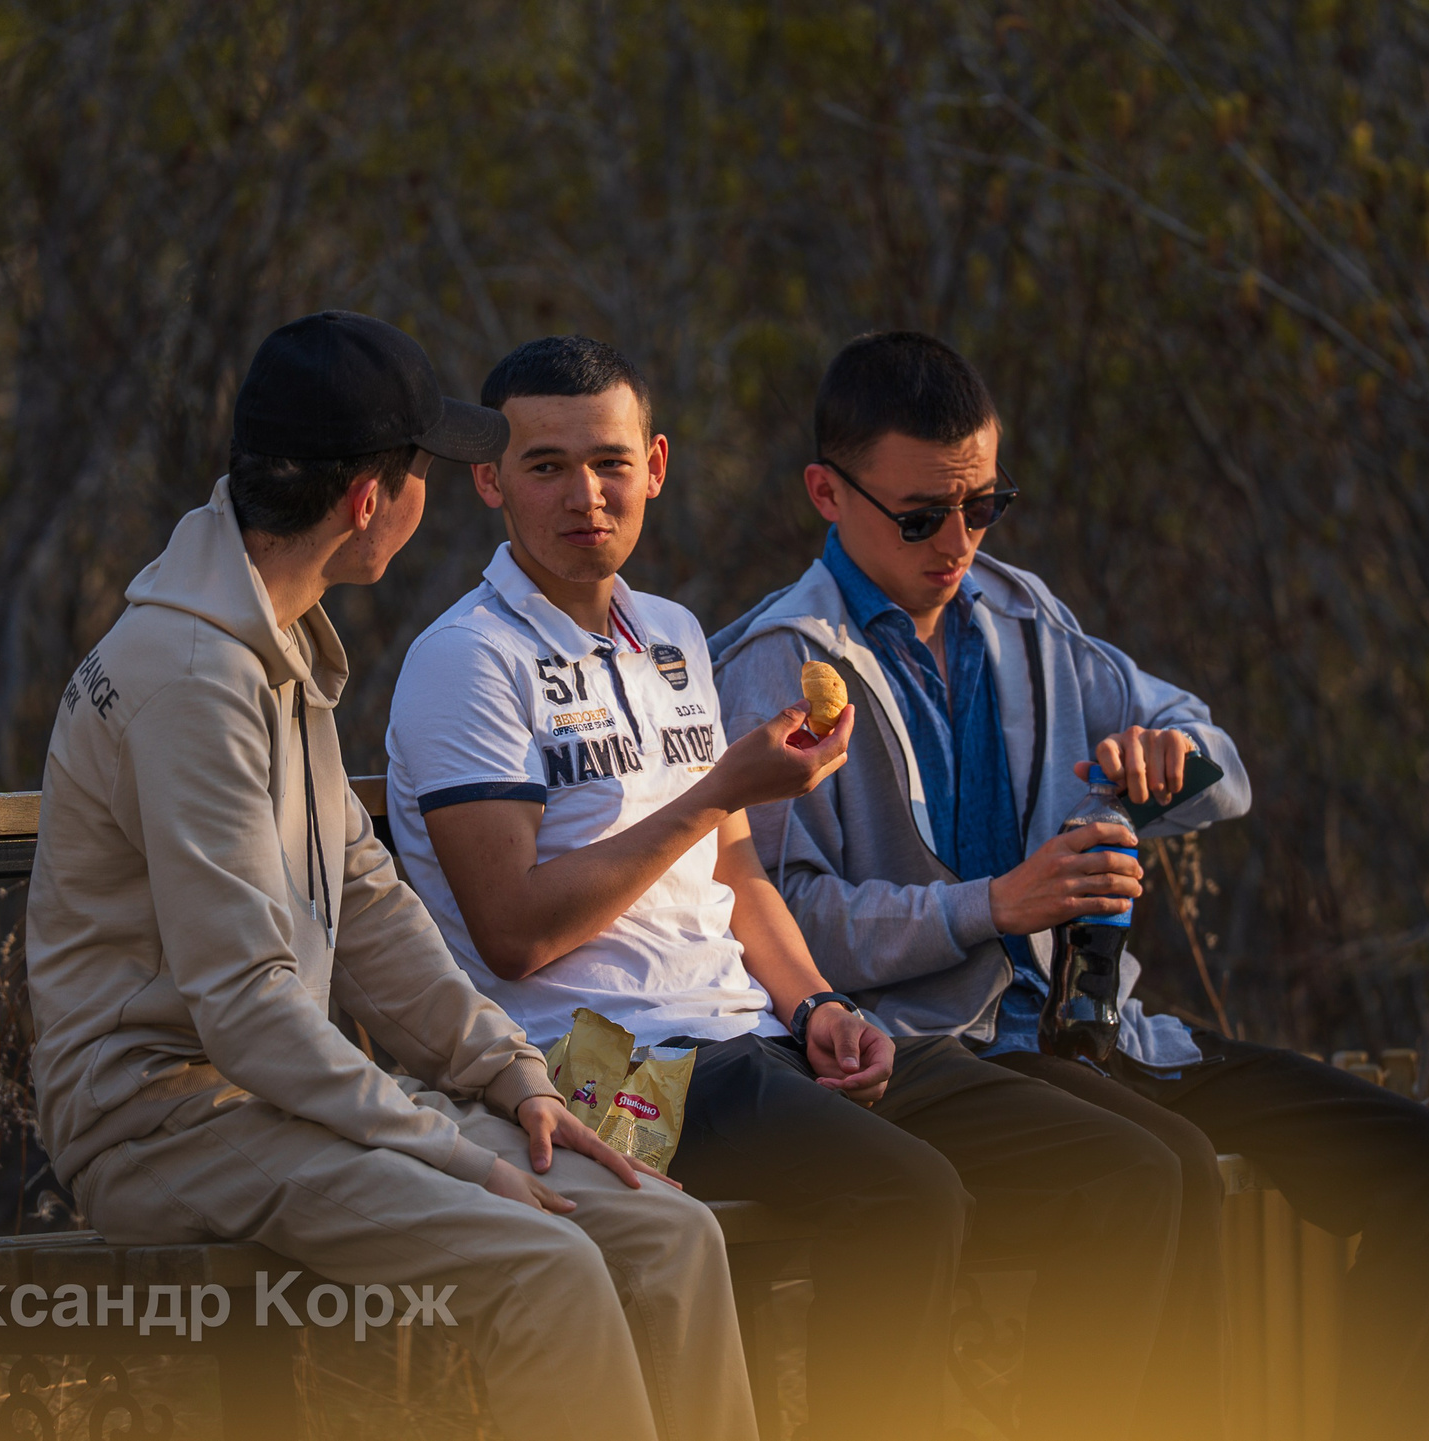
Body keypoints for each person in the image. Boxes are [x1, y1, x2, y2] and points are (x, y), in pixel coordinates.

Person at [383, 334, 1183, 1441]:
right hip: (605, 1062)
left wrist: (819, 1005)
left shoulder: (665, 636)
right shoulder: (466, 659)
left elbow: (735, 868)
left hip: (754, 1031)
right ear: (489, 480)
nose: (585, 494)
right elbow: (514, 935)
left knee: (1124, 1174)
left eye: (610, 463)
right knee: (906, 1203)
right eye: (546, 465)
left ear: (656, 466)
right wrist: (718, 790)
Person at [708, 331, 1429, 1441]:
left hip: (1100, 1031)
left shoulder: (1024, 618)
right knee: (1155, 1175)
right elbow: (782, 920)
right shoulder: (777, 663)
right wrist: (993, 904)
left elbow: (1217, 760)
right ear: (826, 493)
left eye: (986, 503)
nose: (959, 540)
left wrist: (1171, 762)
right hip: (933, 1051)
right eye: (923, 514)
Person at [25, 312, 754, 1441]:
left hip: (268, 1094)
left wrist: (513, 1080)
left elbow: (365, 903)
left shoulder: (277, 638)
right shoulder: (192, 676)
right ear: (373, 500)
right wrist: (452, 1150)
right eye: (422, 469)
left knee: (668, 1231)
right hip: (162, 1122)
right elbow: (245, 1008)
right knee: (543, 1264)